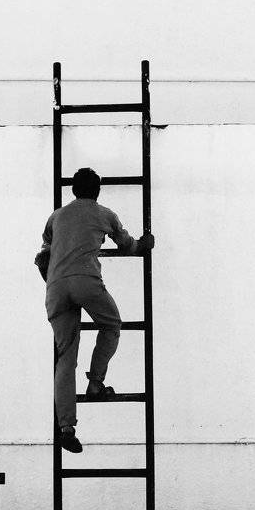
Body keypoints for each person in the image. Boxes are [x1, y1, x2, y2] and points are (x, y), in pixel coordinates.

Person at [34, 167, 155, 453]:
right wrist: (145, 244)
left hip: (55, 287)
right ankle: (96, 383)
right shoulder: (104, 214)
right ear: (97, 190)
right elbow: (128, 246)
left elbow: (44, 252)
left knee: (65, 358)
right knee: (112, 325)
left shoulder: (56, 216)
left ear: (73, 190)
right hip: (85, 281)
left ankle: (66, 427)